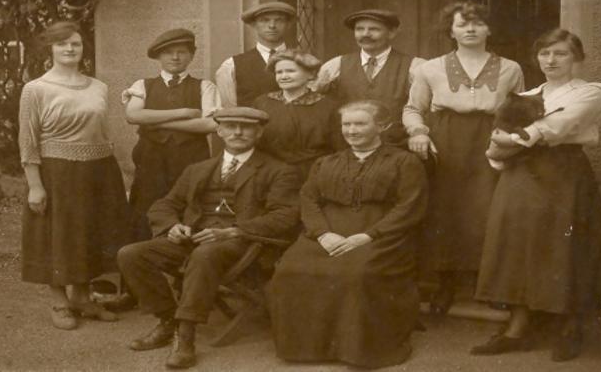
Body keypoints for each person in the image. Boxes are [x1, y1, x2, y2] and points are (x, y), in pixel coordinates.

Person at [117, 107, 301, 369]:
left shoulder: (278, 170)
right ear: (219, 131)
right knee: (131, 254)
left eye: (246, 127)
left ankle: (186, 337)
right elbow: (164, 205)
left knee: (206, 254)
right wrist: (173, 225)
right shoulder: (198, 169)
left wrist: (235, 230)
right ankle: (168, 320)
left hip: (244, 243)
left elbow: (285, 216)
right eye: (231, 126)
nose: (238, 132)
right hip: (194, 236)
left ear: (259, 133)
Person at [472, 29, 601, 362]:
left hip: (564, 173)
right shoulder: (525, 95)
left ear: (576, 58)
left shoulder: (590, 93)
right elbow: (497, 137)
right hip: (520, 174)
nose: (551, 60)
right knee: (516, 245)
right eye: (545, 54)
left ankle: (568, 328)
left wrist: (515, 138)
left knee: (563, 247)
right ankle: (516, 328)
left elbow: (561, 125)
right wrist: (502, 146)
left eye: (561, 54)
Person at [268, 100, 429, 369]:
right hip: (327, 232)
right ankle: (306, 348)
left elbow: (409, 206)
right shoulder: (325, 162)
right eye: (347, 124)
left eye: (360, 124)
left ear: (382, 126)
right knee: (290, 270)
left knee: (357, 273)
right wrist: (321, 234)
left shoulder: (404, 162)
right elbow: (308, 200)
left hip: (381, 235)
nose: (351, 131)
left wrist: (368, 236)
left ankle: (359, 350)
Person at [402, 1, 525, 314]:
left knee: (489, 209)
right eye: (462, 24)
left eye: (478, 23)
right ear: (450, 31)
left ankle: (490, 285)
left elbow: (518, 112)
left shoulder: (511, 68)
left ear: (489, 29)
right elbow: (414, 108)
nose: (470, 29)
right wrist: (418, 132)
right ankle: (445, 283)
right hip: (447, 140)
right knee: (447, 210)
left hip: (491, 139)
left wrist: (511, 142)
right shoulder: (429, 68)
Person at [18, 21, 129, 330]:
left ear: (83, 49)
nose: (69, 49)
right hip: (58, 172)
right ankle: (59, 300)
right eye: (62, 43)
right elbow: (28, 140)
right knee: (57, 235)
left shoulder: (99, 87)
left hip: (99, 169)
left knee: (91, 232)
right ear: (50, 49)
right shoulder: (36, 89)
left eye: (76, 43)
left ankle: (81, 297)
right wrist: (34, 185)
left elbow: (103, 131)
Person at [122, 29, 220, 241]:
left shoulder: (205, 86)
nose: (175, 57)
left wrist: (156, 121)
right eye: (168, 53)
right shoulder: (143, 85)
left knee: (189, 204)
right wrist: (183, 113)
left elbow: (211, 124)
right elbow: (133, 115)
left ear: (191, 56)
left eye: (182, 52)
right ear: (158, 56)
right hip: (151, 158)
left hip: (191, 158)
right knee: (146, 206)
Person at [312, 9, 425, 146]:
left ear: (392, 33)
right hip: (348, 147)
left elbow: (421, 108)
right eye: (359, 29)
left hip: (395, 147)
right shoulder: (336, 65)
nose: (365, 34)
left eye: (374, 29)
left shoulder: (415, 66)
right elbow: (316, 104)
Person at [253, 49, 341, 180]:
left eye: (291, 71)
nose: (284, 76)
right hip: (269, 174)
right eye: (279, 72)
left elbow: (338, 148)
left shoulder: (329, 106)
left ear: (310, 74)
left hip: (315, 173)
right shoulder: (262, 103)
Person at [215, 1, 296, 107]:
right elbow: (230, 109)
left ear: (288, 24)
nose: (272, 26)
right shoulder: (232, 65)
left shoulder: (302, 61)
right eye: (264, 20)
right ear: (254, 24)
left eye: (279, 20)